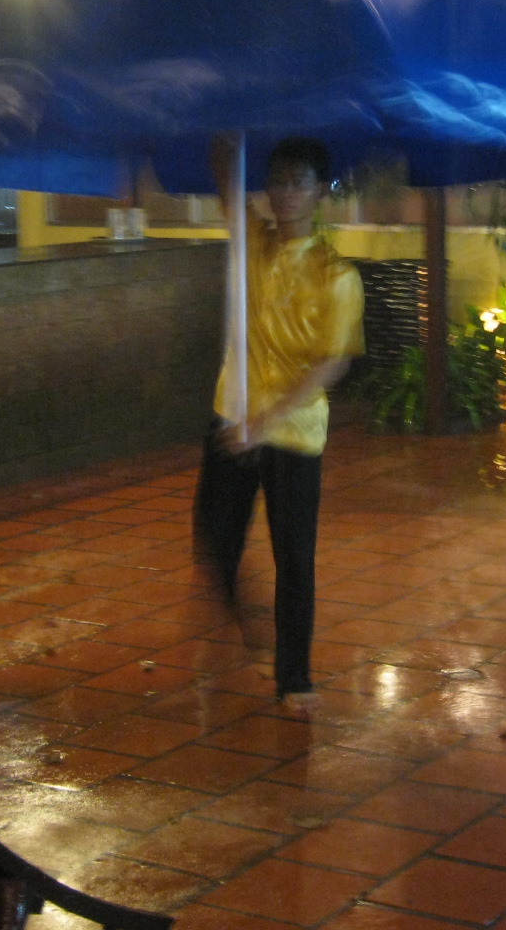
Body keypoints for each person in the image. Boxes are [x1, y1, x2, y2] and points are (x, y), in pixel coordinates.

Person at [193, 136, 364, 710]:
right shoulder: (254, 246)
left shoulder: (336, 274)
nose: (284, 193)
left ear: (319, 190)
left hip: (290, 431)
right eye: (276, 181)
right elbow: (224, 176)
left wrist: (263, 423)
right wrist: (223, 130)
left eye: (298, 181)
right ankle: (244, 617)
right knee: (214, 536)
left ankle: (294, 676)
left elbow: (332, 362)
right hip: (233, 414)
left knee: (294, 556)